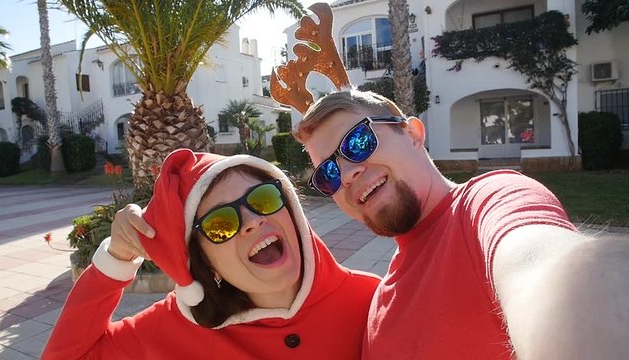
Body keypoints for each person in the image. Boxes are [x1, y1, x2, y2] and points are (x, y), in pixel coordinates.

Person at [295, 89, 629, 359]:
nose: (349, 174)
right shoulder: (380, 300)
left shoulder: (488, 203)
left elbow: (552, 269)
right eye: (329, 174)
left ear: (412, 133)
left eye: (357, 142)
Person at [42, 148, 380, 359]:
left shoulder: (374, 301)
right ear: (204, 262)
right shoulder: (173, 331)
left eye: (262, 199)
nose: (251, 221)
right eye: (220, 223)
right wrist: (115, 259)